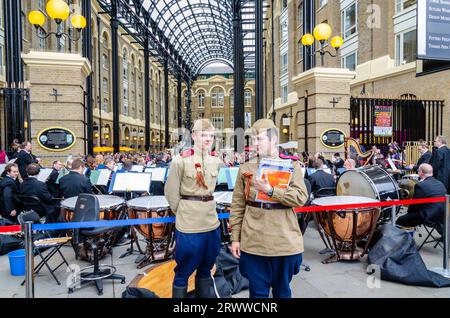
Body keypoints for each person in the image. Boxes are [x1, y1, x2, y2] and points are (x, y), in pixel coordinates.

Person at [229, 119, 308, 298]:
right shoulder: (246, 168)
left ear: (274, 140)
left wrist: (271, 191)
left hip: (284, 240)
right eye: (253, 139)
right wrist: (235, 237)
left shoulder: (292, 166)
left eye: (259, 139)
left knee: (282, 291)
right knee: (257, 293)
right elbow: (238, 205)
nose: (254, 144)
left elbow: (300, 198)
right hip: (254, 240)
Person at [165, 119, 223, 298]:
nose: (208, 139)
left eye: (211, 136)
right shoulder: (180, 161)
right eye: (204, 135)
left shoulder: (215, 161)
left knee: (206, 268)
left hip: (211, 223)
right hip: (189, 225)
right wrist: (183, 212)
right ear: (194, 136)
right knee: (183, 271)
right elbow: (170, 193)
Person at [396, 164, 447, 233]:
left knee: (400, 220)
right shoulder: (440, 183)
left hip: (429, 217)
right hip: (442, 216)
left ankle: (406, 241)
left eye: (418, 171)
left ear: (421, 172)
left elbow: (414, 206)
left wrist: (408, 214)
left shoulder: (421, 185)